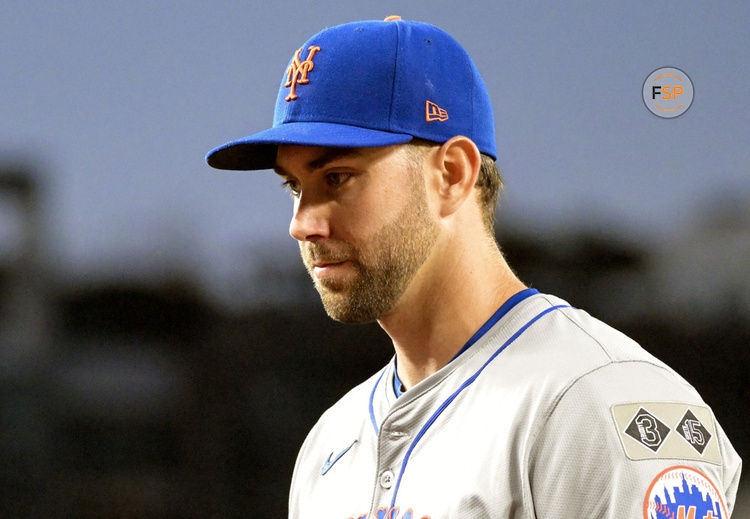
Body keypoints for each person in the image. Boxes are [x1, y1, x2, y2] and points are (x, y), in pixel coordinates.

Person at [206, 16, 742, 519]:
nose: (303, 224)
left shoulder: (599, 400)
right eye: (295, 187)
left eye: (338, 178)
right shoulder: (332, 440)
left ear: (453, 174)